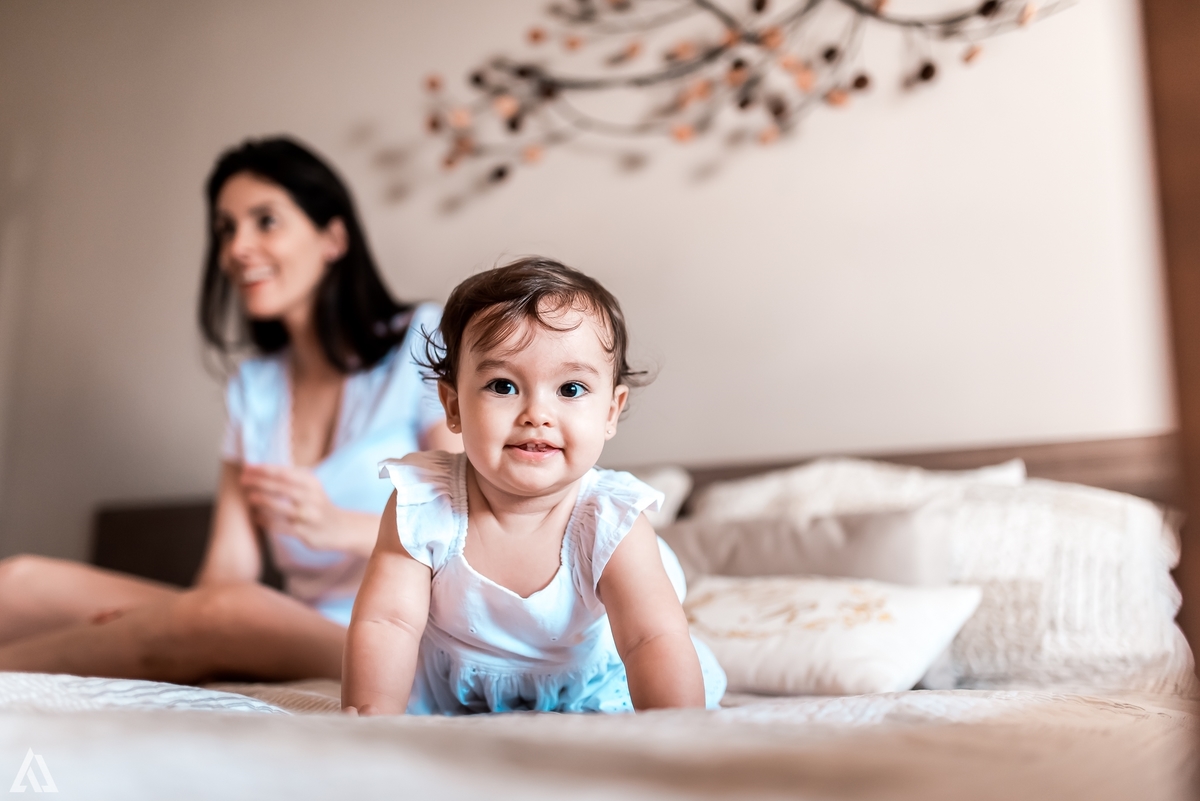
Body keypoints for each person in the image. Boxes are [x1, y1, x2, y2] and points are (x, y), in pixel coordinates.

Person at [0, 137, 459, 682]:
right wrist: (160, 620)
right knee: (19, 583)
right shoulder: (255, 386)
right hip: (286, 620)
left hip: (397, 633)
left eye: (265, 221)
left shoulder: (420, 340)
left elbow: (471, 526)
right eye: (226, 228)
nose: (237, 247)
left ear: (333, 238)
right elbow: (227, 570)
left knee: (228, 614)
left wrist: (336, 526)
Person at [341, 257, 725, 715]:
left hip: (590, 685)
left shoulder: (609, 520)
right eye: (503, 385)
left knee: (668, 657)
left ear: (610, 411)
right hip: (458, 691)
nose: (536, 414)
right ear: (454, 406)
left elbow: (650, 637)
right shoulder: (425, 503)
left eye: (570, 389)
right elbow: (388, 621)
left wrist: (676, 732)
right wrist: (369, 723)